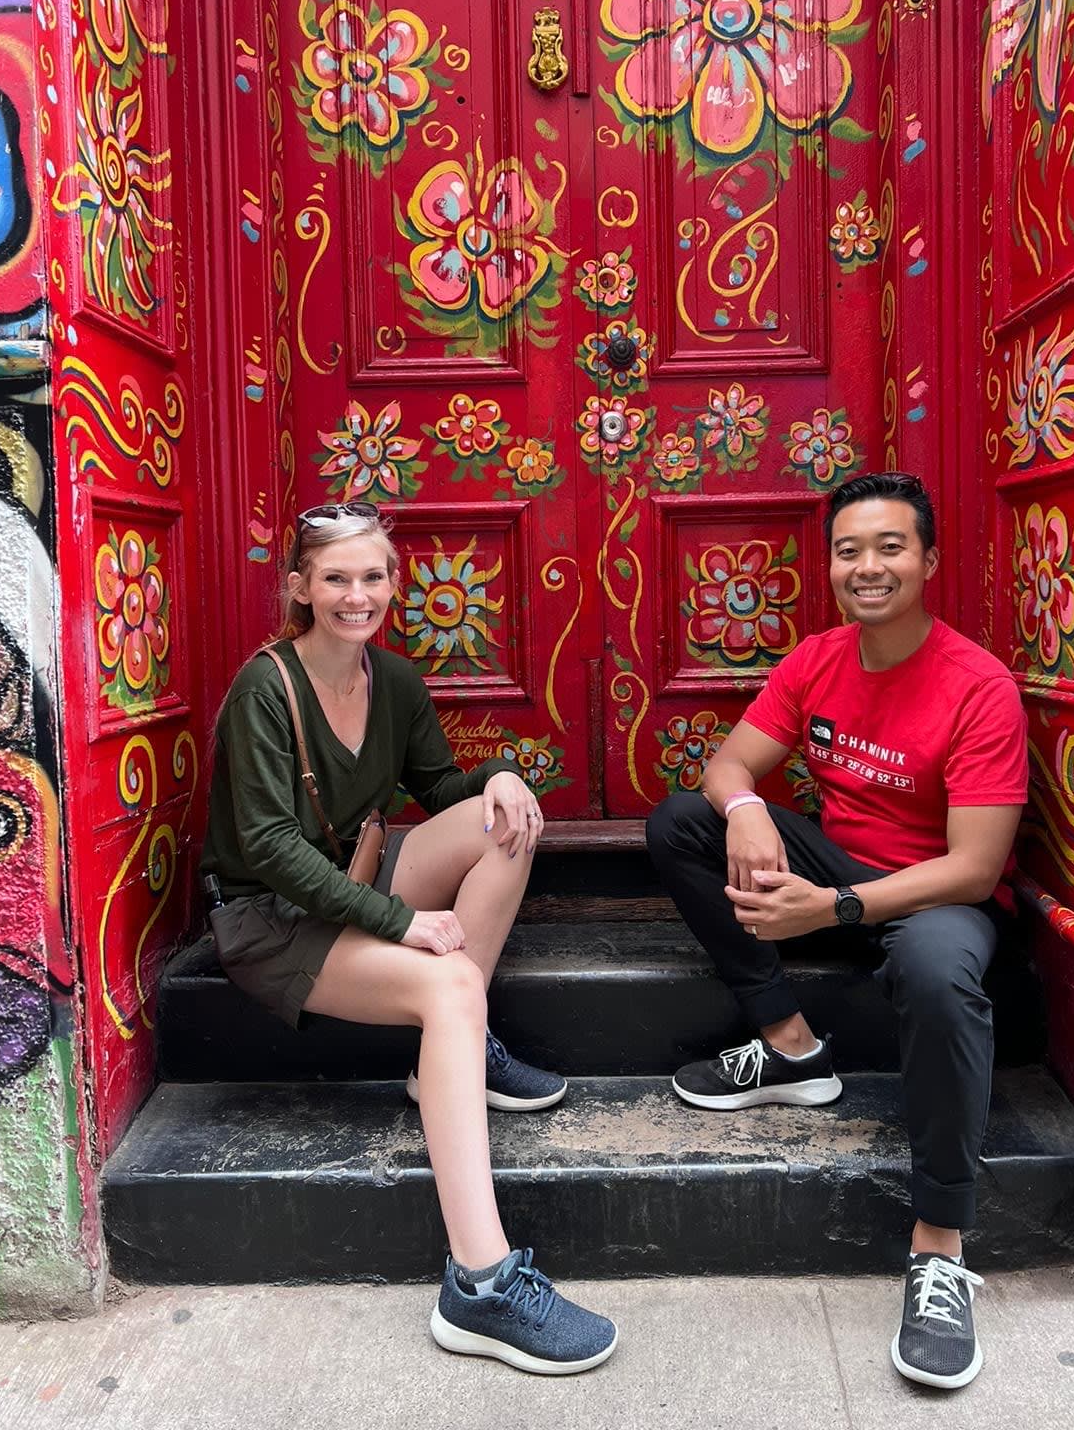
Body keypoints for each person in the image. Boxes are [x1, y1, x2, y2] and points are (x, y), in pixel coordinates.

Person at [201, 501, 617, 1375]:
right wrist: (401, 921)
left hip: (350, 883)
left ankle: (451, 1061)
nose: (359, 595)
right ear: (301, 590)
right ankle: (480, 1284)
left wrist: (502, 774)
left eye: (373, 577)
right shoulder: (263, 690)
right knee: (452, 985)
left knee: (505, 824)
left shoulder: (391, 680)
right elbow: (271, 849)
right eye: (337, 578)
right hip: (273, 922)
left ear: (394, 583)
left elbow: (438, 784)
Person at [646, 472, 1028, 1391]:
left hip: (939, 901)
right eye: (850, 551)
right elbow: (731, 762)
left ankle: (938, 1245)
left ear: (928, 561)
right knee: (681, 822)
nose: (869, 567)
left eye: (891, 547)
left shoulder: (978, 687)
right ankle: (791, 1047)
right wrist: (743, 804)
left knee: (938, 973)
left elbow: (975, 867)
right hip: (839, 872)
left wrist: (834, 911)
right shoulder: (818, 657)